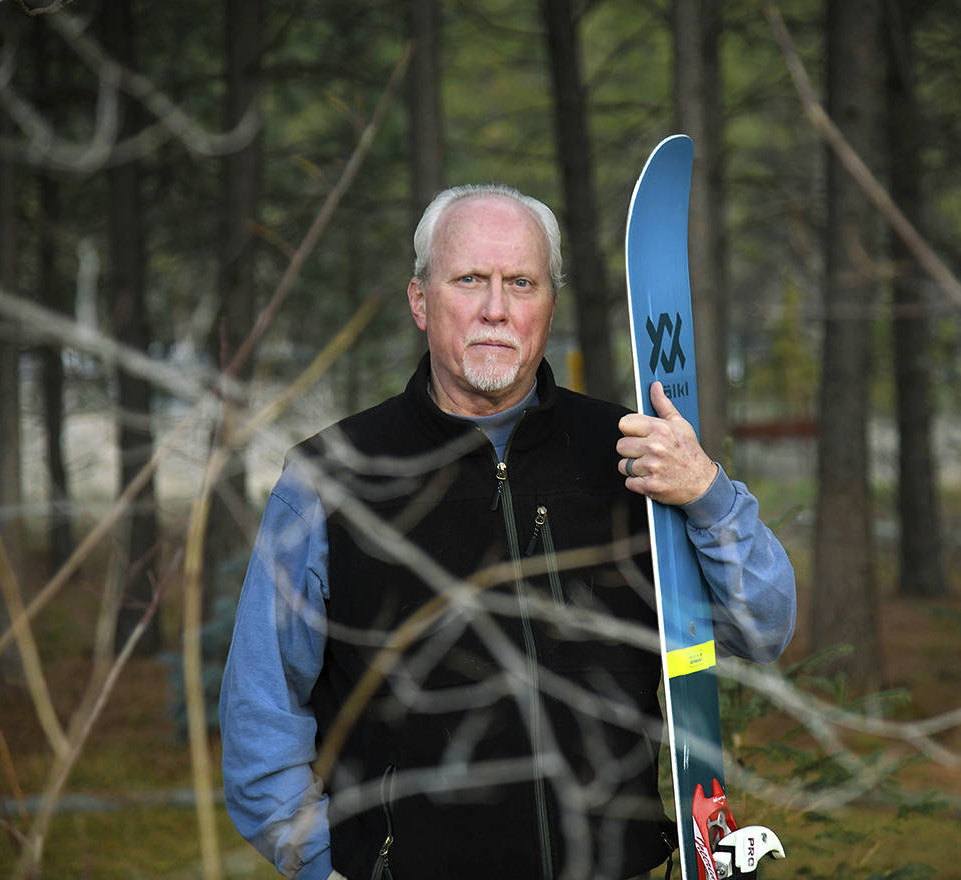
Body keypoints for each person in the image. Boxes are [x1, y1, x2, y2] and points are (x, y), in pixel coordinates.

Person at [219, 184, 796, 880]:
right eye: (470, 280)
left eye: (521, 283)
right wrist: (322, 867)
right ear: (420, 301)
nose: (496, 308)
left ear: (549, 306)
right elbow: (261, 715)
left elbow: (764, 627)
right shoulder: (330, 478)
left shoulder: (637, 456)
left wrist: (707, 492)